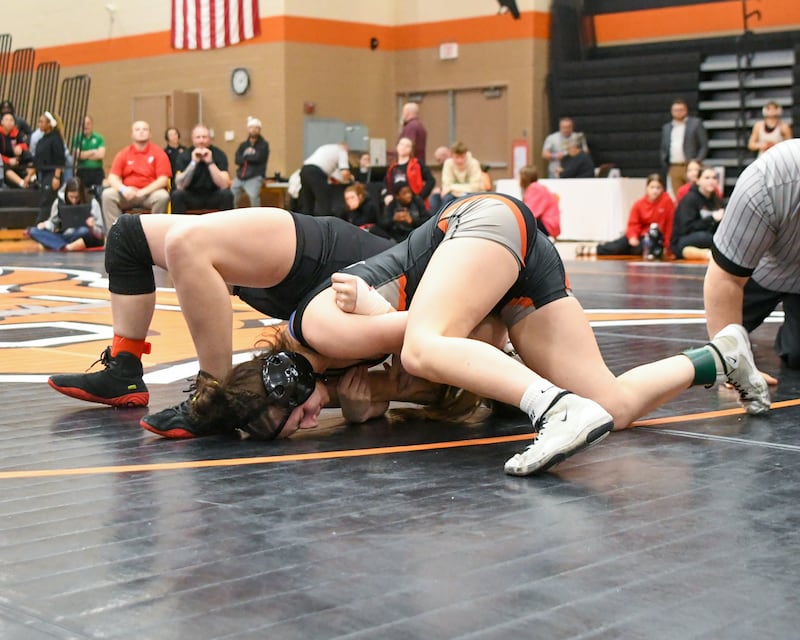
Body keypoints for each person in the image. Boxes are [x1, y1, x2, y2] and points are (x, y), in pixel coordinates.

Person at [209, 193, 765, 476]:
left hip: (479, 227)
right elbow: (462, 367)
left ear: (284, 377)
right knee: (611, 404)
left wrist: (390, 356)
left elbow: (464, 336)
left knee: (425, 346)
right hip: (509, 269)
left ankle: (556, 410)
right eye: (299, 431)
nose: (312, 422)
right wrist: (382, 393)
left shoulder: (318, 327)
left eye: (298, 416)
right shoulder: (337, 376)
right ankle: (720, 356)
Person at [46, 208, 397, 437]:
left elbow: (392, 393)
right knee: (140, 238)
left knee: (158, 240)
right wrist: (363, 409)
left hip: (311, 290)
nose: (313, 422)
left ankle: (210, 395)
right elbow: (406, 390)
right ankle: (139, 374)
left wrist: (358, 411)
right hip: (332, 260)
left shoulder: (350, 353)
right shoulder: (388, 325)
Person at [704, 139, 800, 405]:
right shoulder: (770, 178)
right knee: (721, 345)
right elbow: (725, 279)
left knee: (797, 355)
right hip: (760, 271)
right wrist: (733, 369)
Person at [579, 173, 674, 258]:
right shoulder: (639, 204)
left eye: (658, 187)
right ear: (647, 188)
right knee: (622, 243)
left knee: (639, 248)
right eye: (652, 187)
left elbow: (670, 225)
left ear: (663, 189)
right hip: (640, 236)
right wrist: (633, 236)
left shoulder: (667, 203)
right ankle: (595, 249)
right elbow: (633, 223)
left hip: (656, 239)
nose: (655, 191)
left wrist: (667, 245)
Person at [102, 121, 172, 229]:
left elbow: (162, 180)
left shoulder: (159, 153)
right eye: (137, 129)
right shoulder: (124, 153)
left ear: (150, 134)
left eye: (145, 129)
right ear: (132, 134)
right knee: (107, 194)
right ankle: (115, 235)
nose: (141, 132)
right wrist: (124, 189)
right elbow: (112, 177)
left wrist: (143, 192)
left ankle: (154, 232)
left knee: (163, 196)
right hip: (127, 194)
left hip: (149, 194)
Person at [28, 176, 105, 251]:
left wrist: (92, 227)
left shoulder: (92, 202)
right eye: (71, 197)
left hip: (82, 235)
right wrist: (46, 225)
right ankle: (66, 246)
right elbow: (53, 223)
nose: (74, 200)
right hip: (64, 235)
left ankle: (55, 244)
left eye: (77, 197)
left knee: (84, 231)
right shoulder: (59, 202)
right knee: (33, 231)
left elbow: (100, 234)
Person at [171, 124, 234, 214]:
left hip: (213, 195)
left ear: (210, 139)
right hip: (192, 196)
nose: (201, 140)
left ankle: (226, 227)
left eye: (204, 137)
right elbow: (180, 185)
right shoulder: (184, 156)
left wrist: (210, 163)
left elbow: (224, 185)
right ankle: (180, 227)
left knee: (227, 194)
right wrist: (193, 163)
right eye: (198, 137)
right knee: (177, 195)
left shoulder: (219, 154)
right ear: (192, 139)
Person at [670, 165, 723, 260]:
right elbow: (686, 228)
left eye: (714, 178)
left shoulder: (716, 200)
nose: (711, 181)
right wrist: (712, 219)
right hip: (684, 238)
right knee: (709, 238)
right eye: (707, 178)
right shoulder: (690, 199)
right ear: (698, 180)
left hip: (707, 237)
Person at [660, 98, 708, 194]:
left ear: (686, 110)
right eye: (676, 110)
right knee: (677, 195)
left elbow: (704, 145)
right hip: (674, 166)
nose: (678, 112)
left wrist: (697, 161)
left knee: (694, 192)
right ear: (672, 111)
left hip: (691, 166)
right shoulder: (667, 127)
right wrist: (665, 163)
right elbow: (664, 147)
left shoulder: (695, 124)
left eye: (681, 110)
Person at [299, 143, 352, 216]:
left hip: (304, 170)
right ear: (346, 148)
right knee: (324, 203)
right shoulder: (342, 151)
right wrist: (351, 180)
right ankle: (325, 224)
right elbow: (345, 172)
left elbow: (328, 172)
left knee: (308, 203)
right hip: (316, 173)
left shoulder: (325, 147)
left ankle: (305, 224)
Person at [32, 111, 66, 223]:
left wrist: (56, 177)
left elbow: (60, 159)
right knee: (46, 200)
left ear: (49, 124)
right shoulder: (43, 139)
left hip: (52, 174)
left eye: (41, 122)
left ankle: (38, 226)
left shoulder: (56, 139)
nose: (39, 124)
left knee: (46, 201)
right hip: (43, 174)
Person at [383, 137, 434, 209]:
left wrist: (420, 197)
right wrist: (387, 195)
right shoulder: (392, 168)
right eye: (401, 144)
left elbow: (431, 181)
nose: (403, 147)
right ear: (397, 147)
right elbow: (387, 184)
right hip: (396, 204)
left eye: (407, 146)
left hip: (414, 204)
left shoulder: (417, 164)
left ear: (411, 149)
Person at [231, 116, 270, 207]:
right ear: (248, 129)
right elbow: (237, 160)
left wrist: (245, 156)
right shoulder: (243, 145)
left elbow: (258, 158)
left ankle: (256, 218)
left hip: (255, 176)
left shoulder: (264, 145)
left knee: (253, 196)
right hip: (241, 176)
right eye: (252, 127)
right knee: (231, 195)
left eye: (257, 128)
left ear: (260, 130)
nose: (254, 130)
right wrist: (248, 157)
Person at [519, 165, 560, 240]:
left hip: (547, 225)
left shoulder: (534, 188)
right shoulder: (537, 187)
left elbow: (529, 212)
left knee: (520, 224)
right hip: (550, 225)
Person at [439, 141, 484, 206]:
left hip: (472, 194)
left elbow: (475, 187)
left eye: (462, 157)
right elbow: (446, 184)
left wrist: (451, 187)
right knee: (440, 198)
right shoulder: (448, 163)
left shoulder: (474, 163)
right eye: (457, 157)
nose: (459, 160)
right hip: (453, 194)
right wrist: (451, 188)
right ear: (452, 155)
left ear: (466, 154)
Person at [0, 112, 34, 188]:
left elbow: (25, 145)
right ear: (2, 122)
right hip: (4, 161)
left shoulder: (16, 132)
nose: (9, 122)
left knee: (27, 155)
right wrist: (8, 160)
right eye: (6, 120)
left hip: (16, 159)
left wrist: (20, 147)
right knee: (4, 167)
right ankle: (21, 183)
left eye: (11, 120)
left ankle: (31, 177)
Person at [73, 115, 106, 189]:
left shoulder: (99, 138)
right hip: (82, 171)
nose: (86, 126)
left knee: (99, 194)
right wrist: (93, 151)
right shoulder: (77, 138)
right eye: (83, 124)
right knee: (82, 194)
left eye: (88, 123)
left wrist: (84, 155)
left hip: (97, 171)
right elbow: (77, 155)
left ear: (92, 124)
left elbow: (101, 155)